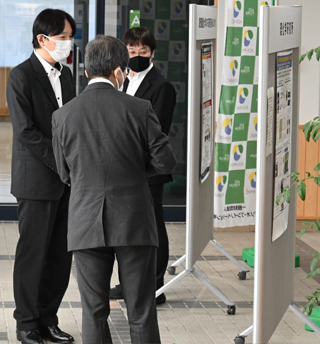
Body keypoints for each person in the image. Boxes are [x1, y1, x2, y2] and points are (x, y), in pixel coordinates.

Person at [52, 35, 177, 344]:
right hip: (133, 220)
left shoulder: (63, 115)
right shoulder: (139, 108)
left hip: (85, 222)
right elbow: (166, 162)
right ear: (120, 72)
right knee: (141, 311)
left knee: (93, 312)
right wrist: (136, 171)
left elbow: (64, 171)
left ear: (85, 72)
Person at [6, 9, 76, 344]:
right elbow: (26, 133)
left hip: (68, 182)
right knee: (33, 254)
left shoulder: (68, 76)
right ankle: (27, 323)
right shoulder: (20, 76)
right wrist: (61, 163)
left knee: (61, 256)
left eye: (69, 37)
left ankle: (49, 319)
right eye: (62, 37)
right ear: (42, 39)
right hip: (37, 180)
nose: (68, 43)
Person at [110, 27, 177, 305]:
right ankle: (130, 283)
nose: (137, 56)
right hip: (124, 168)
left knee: (152, 227)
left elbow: (156, 132)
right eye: (132, 51)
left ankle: (154, 286)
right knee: (128, 228)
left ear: (153, 53)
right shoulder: (122, 81)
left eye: (143, 51)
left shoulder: (162, 87)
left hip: (149, 170)